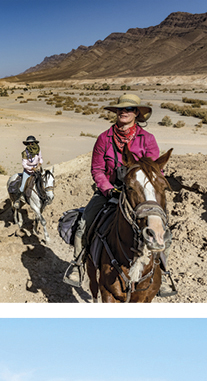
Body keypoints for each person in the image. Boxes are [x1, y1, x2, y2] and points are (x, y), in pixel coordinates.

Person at [64, 93, 173, 296]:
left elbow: (156, 170)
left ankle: (164, 273)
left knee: (164, 229)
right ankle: (78, 264)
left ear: (137, 113)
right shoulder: (104, 139)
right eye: (120, 109)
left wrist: (147, 188)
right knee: (83, 225)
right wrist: (108, 188)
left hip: (140, 194)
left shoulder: (147, 139)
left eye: (129, 109)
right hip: (109, 192)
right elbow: (97, 169)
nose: (124, 112)